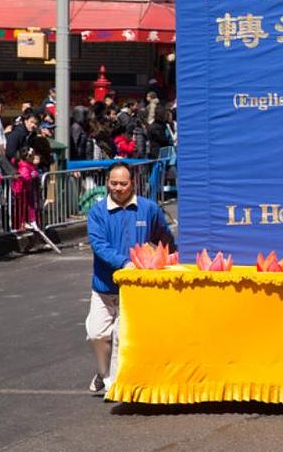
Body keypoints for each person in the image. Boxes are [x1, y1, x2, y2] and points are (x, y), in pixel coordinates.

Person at [86, 162, 174, 394]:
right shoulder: (97, 212)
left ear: (132, 183)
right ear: (107, 183)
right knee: (97, 333)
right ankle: (103, 373)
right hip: (104, 285)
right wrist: (125, 263)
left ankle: (114, 385)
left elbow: (165, 237)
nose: (118, 188)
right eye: (113, 183)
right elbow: (99, 246)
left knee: (120, 337)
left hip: (134, 289)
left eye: (123, 184)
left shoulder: (148, 208)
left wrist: (174, 259)